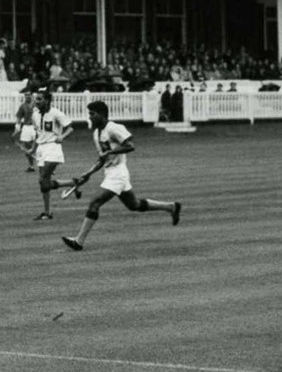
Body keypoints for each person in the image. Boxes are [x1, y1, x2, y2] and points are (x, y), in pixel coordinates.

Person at [60, 100, 181, 251]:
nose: (90, 117)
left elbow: (130, 145)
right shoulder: (96, 134)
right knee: (134, 205)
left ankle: (79, 241)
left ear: (102, 115)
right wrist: (88, 173)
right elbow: (102, 159)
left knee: (94, 203)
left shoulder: (114, 128)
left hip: (118, 173)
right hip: (110, 172)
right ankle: (171, 207)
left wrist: (111, 152)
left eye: (92, 114)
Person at [27, 90, 74, 221]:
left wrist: (62, 136)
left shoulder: (56, 113)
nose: (36, 101)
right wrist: (33, 148)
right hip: (41, 149)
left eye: (39, 99)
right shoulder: (35, 115)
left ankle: (73, 183)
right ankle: (47, 212)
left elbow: (70, 128)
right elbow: (38, 133)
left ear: (47, 101)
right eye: (36, 99)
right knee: (44, 185)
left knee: (42, 179)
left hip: (53, 147)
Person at [12, 90, 40, 173]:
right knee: (26, 147)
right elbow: (19, 117)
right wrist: (17, 127)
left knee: (37, 146)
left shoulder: (37, 105)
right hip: (26, 127)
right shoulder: (23, 106)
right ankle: (31, 165)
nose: (27, 96)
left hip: (36, 127)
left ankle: (43, 164)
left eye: (29, 95)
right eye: (26, 95)